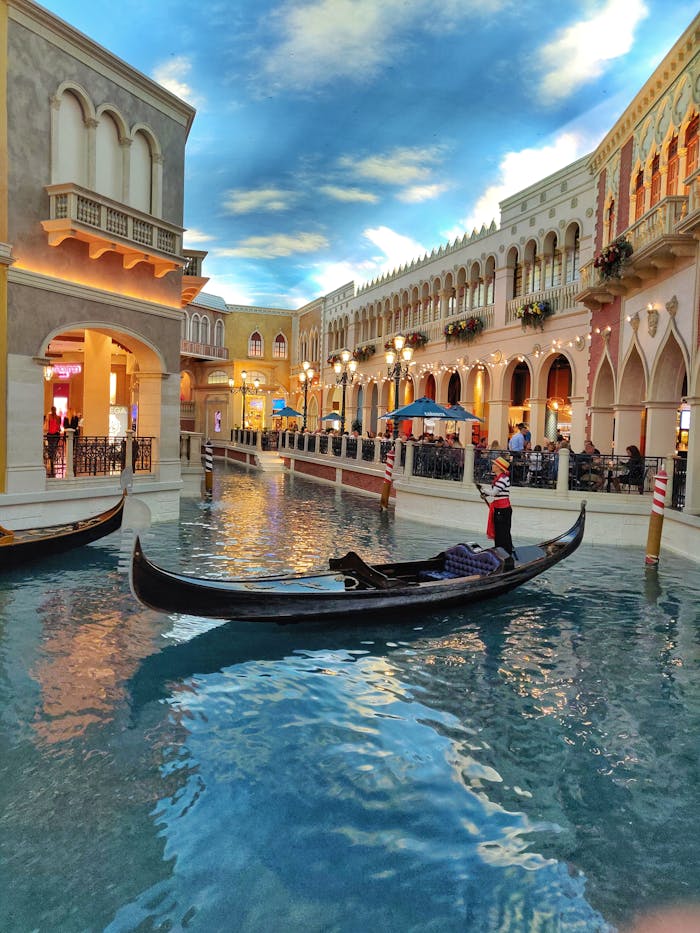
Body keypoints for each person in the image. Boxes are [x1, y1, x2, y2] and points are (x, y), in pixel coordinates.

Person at [478, 455, 513, 559]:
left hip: (502, 510)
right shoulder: (499, 478)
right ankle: (501, 553)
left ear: (499, 467)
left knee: (503, 533)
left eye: (494, 464)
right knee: (499, 532)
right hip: (499, 509)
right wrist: (485, 494)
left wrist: (484, 490)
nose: (492, 466)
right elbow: (496, 493)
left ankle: (505, 554)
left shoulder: (503, 478)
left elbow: (494, 492)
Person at [45, 405, 62, 477]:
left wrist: (59, 429)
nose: (53, 411)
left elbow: (59, 425)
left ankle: (52, 458)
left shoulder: (58, 417)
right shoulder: (49, 416)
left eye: (54, 409)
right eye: (53, 410)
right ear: (51, 410)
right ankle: (51, 458)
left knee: (54, 447)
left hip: (55, 434)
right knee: (50, 447)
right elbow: (46, 424)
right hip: (50, 434)